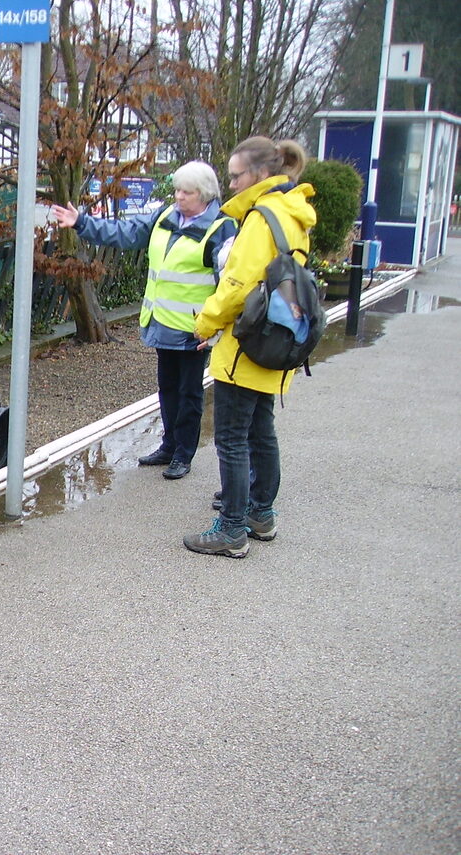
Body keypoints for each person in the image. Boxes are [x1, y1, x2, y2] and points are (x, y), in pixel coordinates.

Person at [50, 163, 237, 481]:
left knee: (189, 392)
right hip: (163, 323)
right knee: (167, 388)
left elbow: (230, 282)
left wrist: (219, 328)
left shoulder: (221, 228)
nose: (178, 196)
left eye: (186, 192)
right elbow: (124, 234)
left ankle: (183, 453)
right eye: (177, 189)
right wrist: (81, 223)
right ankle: (169, 445)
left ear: (205, 195)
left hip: (196, 329)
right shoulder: (165, 218)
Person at [183, 136, 317, 558]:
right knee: (261, 431)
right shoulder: (293, 213)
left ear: (259, 174)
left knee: (232, 438)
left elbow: (237, 287)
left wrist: (204, 323)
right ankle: (262, 513)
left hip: (247, 345)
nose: (233, 183)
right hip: (278, 340)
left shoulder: (261, 219)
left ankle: (232, 531)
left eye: (237, 175)